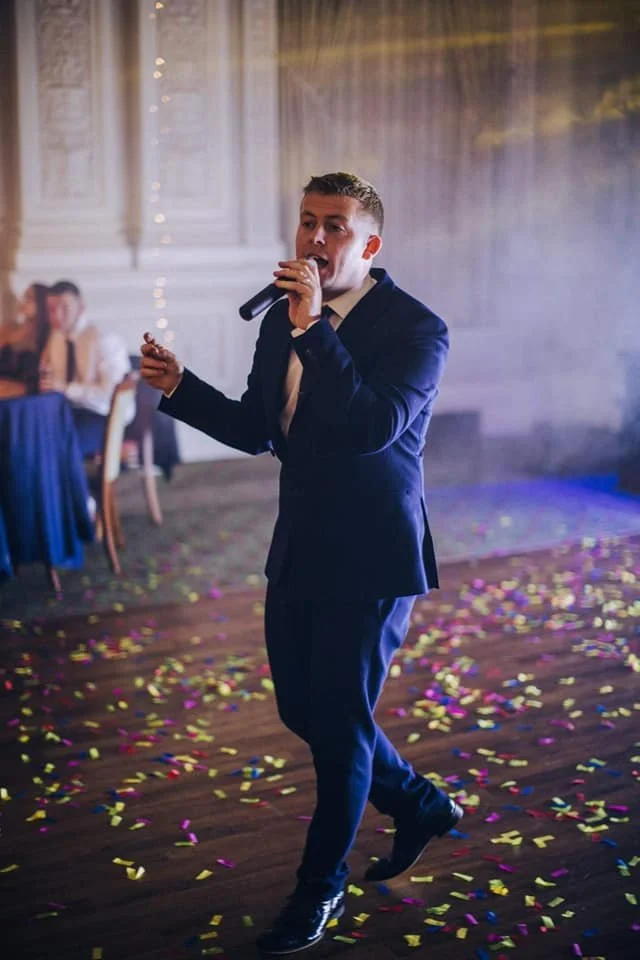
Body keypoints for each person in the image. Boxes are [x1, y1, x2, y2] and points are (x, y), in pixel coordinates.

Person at [140, 172, 461, 956]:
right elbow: (260, 429)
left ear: (370, 243)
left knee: (341, 728)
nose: (315, 239)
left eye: (335, 226)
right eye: (308, 222)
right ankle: (418, 803)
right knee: (303, 710)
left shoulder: (417, 329)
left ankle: (320, 888)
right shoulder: (286, 318)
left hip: (373, 554)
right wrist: (181, 386)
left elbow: (370, 429)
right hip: (301, 542)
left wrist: (314, 327)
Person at [39, 280, 134, 458]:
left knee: (59, 447)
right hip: (70, 412)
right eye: (51, 309)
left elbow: (110, 395)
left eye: (64, 308)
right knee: (32, 437)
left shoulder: (105, 339)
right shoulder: (56, 337)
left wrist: (66, 389)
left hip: (104, 415)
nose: (57, 316)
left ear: (81, 307)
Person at [0, 283, 50, 398]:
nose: (23, 302)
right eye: (24, 297)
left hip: (25, 397)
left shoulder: (47, 336)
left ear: (42, 303)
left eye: (29, 298)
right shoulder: (9, 328)